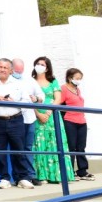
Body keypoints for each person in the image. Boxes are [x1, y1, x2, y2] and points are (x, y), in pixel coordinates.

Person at [0, 58, 33, 190]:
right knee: (0, 151)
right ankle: (4, 178)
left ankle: (22, 178)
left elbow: (27, 101)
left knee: (19, 149)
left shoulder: (18, 84)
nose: (2, 70)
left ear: (11, 70)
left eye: (5, 67)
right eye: (0, 67)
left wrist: (14, 102)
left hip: (16, 119)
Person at [31, 56, 74, 184]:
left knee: (55, 143)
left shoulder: (53, 81)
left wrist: (49, 111)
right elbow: (28, 99)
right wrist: (38, 114)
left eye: (42, 64)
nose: (39, 66)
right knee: (39, 144)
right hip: (37, 116)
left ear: (47, 68)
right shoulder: (31, 81)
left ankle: (58, 175)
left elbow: (58, 98)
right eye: (37, 63)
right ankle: (42, 176)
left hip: (52, 117)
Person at [62, 68, 94, 180]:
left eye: (80, 78)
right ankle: (70, 171)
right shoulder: (63, 89)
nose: (79, 80)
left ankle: (82, 171)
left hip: (81, 120)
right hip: (70, 120)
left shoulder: (77, 89)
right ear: (70, 78)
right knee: (71, 147)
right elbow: (59, 103)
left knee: (81, 147)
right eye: (77, 78)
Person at [19, 63, 45, 186]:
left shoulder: (30, 80)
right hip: (16, 119)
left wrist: (36, 99)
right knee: (18, 149)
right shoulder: (9, 81)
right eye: (16, 69)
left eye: (20, 69)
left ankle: (31, 175)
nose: (18, 72)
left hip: (30, 119)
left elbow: (41, 96)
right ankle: (21, 176)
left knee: (28, 148)